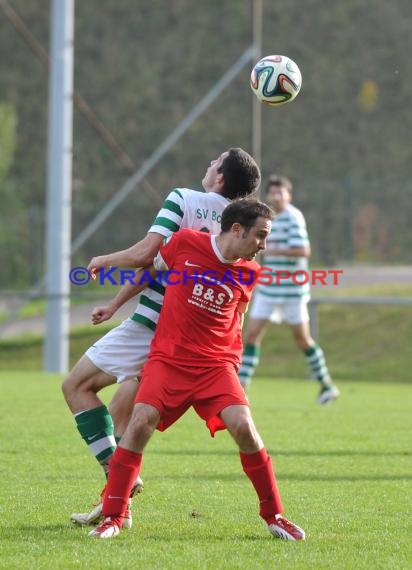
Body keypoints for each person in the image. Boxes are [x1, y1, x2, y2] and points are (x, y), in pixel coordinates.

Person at [62, 148, 261, 527]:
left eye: (213, 161)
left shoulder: (183, 199)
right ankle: (114, 503)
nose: (207, 164)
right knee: (124, 409)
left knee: (76, 386)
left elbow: (146, 255)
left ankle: (117, 478)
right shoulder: (240, 225)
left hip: (155, 324)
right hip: (193, 338)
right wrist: (117, 304)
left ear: (220, 176)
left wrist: (104, 261)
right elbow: (162, 265)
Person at [88, 199, 306, 541]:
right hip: (169, 360)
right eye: (260, 236)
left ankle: (275, 515)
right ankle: (114, 517)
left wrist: (231, 360)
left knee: (245, 428)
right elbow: (150, 272)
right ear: (237, 229)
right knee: (140, 421)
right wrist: (115, 305)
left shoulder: (250, 272)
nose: (263, 245)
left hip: (215, 366)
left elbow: (238, 316)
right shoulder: (185, 242)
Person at [238, 175, 340, 404]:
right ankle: (241, 390)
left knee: (303, 340)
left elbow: (303, 251)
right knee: (252, 335)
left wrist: (272, 250)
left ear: (288, 195)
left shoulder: (293, 217)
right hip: (268, 289)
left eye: (280, 193)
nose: (275, 196)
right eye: (272, 193)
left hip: (292, 291)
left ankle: (327, 385)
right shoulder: (266, 219)